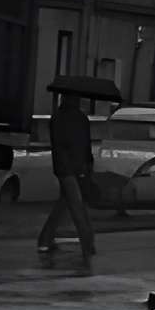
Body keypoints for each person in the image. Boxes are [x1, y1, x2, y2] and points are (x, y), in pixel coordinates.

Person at [33, 85, 99, 268]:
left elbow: (66, 145)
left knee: (66, 204)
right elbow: (85, 145)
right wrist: (88, 164)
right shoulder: (76, 118)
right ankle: (87, 244)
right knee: (77, 207)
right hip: (71, 169)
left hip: (67, 168)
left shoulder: (60, 118)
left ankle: (45, 240)